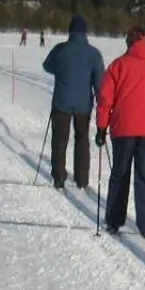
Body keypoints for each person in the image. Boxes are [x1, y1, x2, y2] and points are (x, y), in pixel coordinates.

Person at [96, 27, 145, 237]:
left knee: (120, 175)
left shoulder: (117, 65)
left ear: (128, 43)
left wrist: (101, 127)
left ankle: (113, 221)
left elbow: (105, 100)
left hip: (123, 129)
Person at [41, 15, 105, 191]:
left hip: (61, 102)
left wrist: (61, 70)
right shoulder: (94, 54)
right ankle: (82, 178)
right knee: (82, 139)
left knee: (60, 140)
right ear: (85, 33)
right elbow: (99, 83)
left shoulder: (60, 49)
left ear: (70, 31)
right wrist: (102, 105)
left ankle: (59, 177)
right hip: (84, 105)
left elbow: (47, 66)